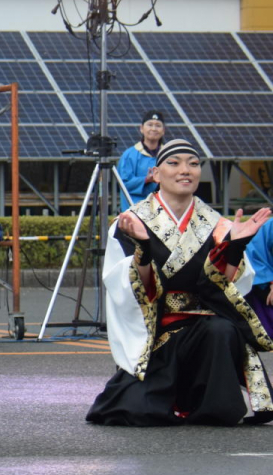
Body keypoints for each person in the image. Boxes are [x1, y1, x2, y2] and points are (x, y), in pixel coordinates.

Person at [89, 139, 273, 426]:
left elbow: (224, 287)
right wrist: (144, 250)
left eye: (194, 163)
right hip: (155, 331)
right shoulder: (130, 222)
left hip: (205, 327)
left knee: (222, 329)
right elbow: (129, 290)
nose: (185, 170)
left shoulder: (217, 224)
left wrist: (235, 247)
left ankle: (210, 406)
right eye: (174, 163)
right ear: (156, 173)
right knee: (135, 412)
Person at [116, 110, 166, 205]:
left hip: (163, 209)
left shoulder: (169, 155)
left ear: (163, 131)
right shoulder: (129, 155)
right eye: (150, 125)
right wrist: (146, 180)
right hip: (134, 209)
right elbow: (124, 184)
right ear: (142, 128)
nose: (154, 129)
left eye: (158, 125)